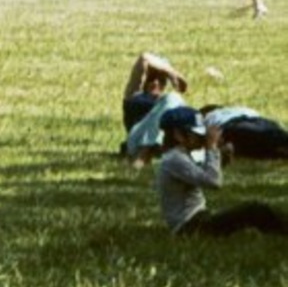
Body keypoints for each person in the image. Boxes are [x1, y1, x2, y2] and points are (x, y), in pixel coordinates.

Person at [154, 105, 288, 234]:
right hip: (190, 227)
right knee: (255, 210)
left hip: (195, 221)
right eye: (196, 133)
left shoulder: (177, 156)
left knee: (249, 215)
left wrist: (220, 158)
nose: (201, 138)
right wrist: (211, 148)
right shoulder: (174, 159)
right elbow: (213, 182)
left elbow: (200, 175)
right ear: (178, 135)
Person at [122, 52, 190, 161]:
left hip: (166, 142)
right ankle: (147, 150)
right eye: (151, 77)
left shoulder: (167, 103)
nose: (155, 82)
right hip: (137, 141)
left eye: (161, 79)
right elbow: (144, 58)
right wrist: (171, 72)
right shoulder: (135, 93)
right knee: (173, 98)